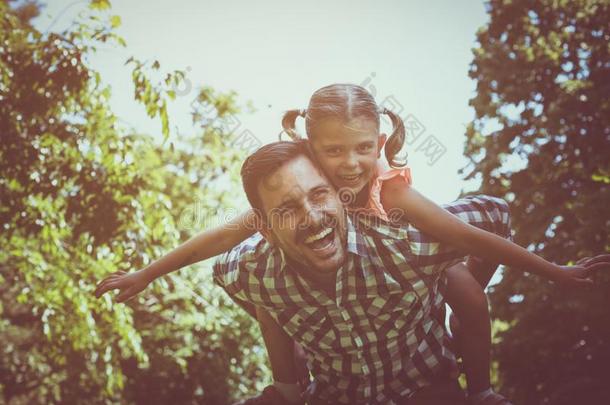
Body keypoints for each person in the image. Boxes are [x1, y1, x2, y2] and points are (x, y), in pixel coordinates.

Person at [94, 84, 604, 404]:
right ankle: (290, 387)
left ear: (379, 145)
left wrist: (552, 271)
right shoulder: (295, 184)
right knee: (272, 300)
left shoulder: (392, 191)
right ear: (310, 148)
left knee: (464, 290)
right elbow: (222, 236)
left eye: (363, 149)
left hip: (416, 255)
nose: (350, 164)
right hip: (324, 311)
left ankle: (482, 388)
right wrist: (148, 273)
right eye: (333, 151)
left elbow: (474, 233)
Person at [212, 140, 609, 404]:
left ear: (340, 195)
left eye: (319, 195)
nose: (313, 218)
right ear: (265, 229)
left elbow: (494, 215)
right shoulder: (250, 269)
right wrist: (288, 337)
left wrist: (463, 283)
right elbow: (224, 272)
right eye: (287, 209)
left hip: (427, 388)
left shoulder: (406, 242)